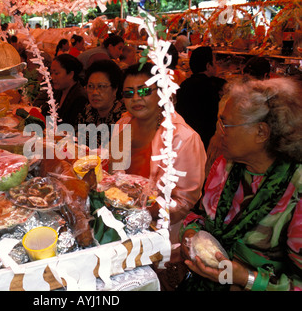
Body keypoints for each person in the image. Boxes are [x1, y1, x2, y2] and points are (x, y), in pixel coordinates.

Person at [179, 77, 302, 291]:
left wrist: (245, 278)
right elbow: (200, 216)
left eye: (226, 124)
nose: (219, 132)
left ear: (261, 132)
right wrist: (190, 234)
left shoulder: (296, 188)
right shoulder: (225, 166)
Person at [110, 62, 207, 290]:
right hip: (118, 233)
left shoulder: (183, 138)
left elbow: (183, 202)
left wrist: (139, 214)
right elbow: (112, 174)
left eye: (144, 91)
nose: (136, 98)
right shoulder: (122, 125)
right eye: (128, 93)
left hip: (159, 243)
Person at [176, 46, 227, 150]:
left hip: (184, 141)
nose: (217, 66)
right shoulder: (216, 86)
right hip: (207, 143)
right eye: (215, 63)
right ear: (208, 66)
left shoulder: (184, 85)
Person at [76, 59, 126, 149]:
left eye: (101, 86)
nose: (95, 92)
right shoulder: (87, 111)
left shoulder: (123, 117)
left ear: (115, 89)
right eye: (90, 86)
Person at [40, 54, 88, 129]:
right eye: (51, 73)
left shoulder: (80, 98)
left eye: (56, 73)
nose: (52, 77)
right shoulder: (57, 92)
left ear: (71, 74)